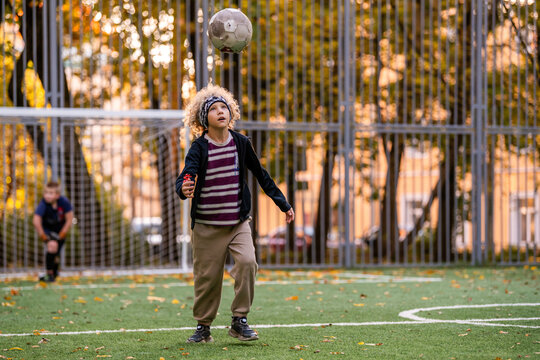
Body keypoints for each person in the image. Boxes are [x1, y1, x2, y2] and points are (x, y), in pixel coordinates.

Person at [176, 84, 295, 343]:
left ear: (231, 114)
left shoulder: (240, 143)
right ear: (203, 119)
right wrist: (184, 187)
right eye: (214, 109)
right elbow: (187, 174)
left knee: (247, 263)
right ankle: (203, 327)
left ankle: (239, 320)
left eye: (224, 107)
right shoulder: (199, 147)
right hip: (207, 226)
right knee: (207, 278)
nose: (221, 111)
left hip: (237, 223)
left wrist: (282, 203)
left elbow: (261, 175)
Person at [33, 181, 74, 282]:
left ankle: (54, 273)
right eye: (46, 192)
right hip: (48, 231)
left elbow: (69, 219)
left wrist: (63, 233)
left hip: (60, 231)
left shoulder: (64, 202)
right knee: (52, 246)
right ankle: (49, 274)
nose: (47, 195)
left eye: (51, 193)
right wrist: (43, 235)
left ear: (57, 195)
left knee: (56, 254)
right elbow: (36, 220)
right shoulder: (43, 204)